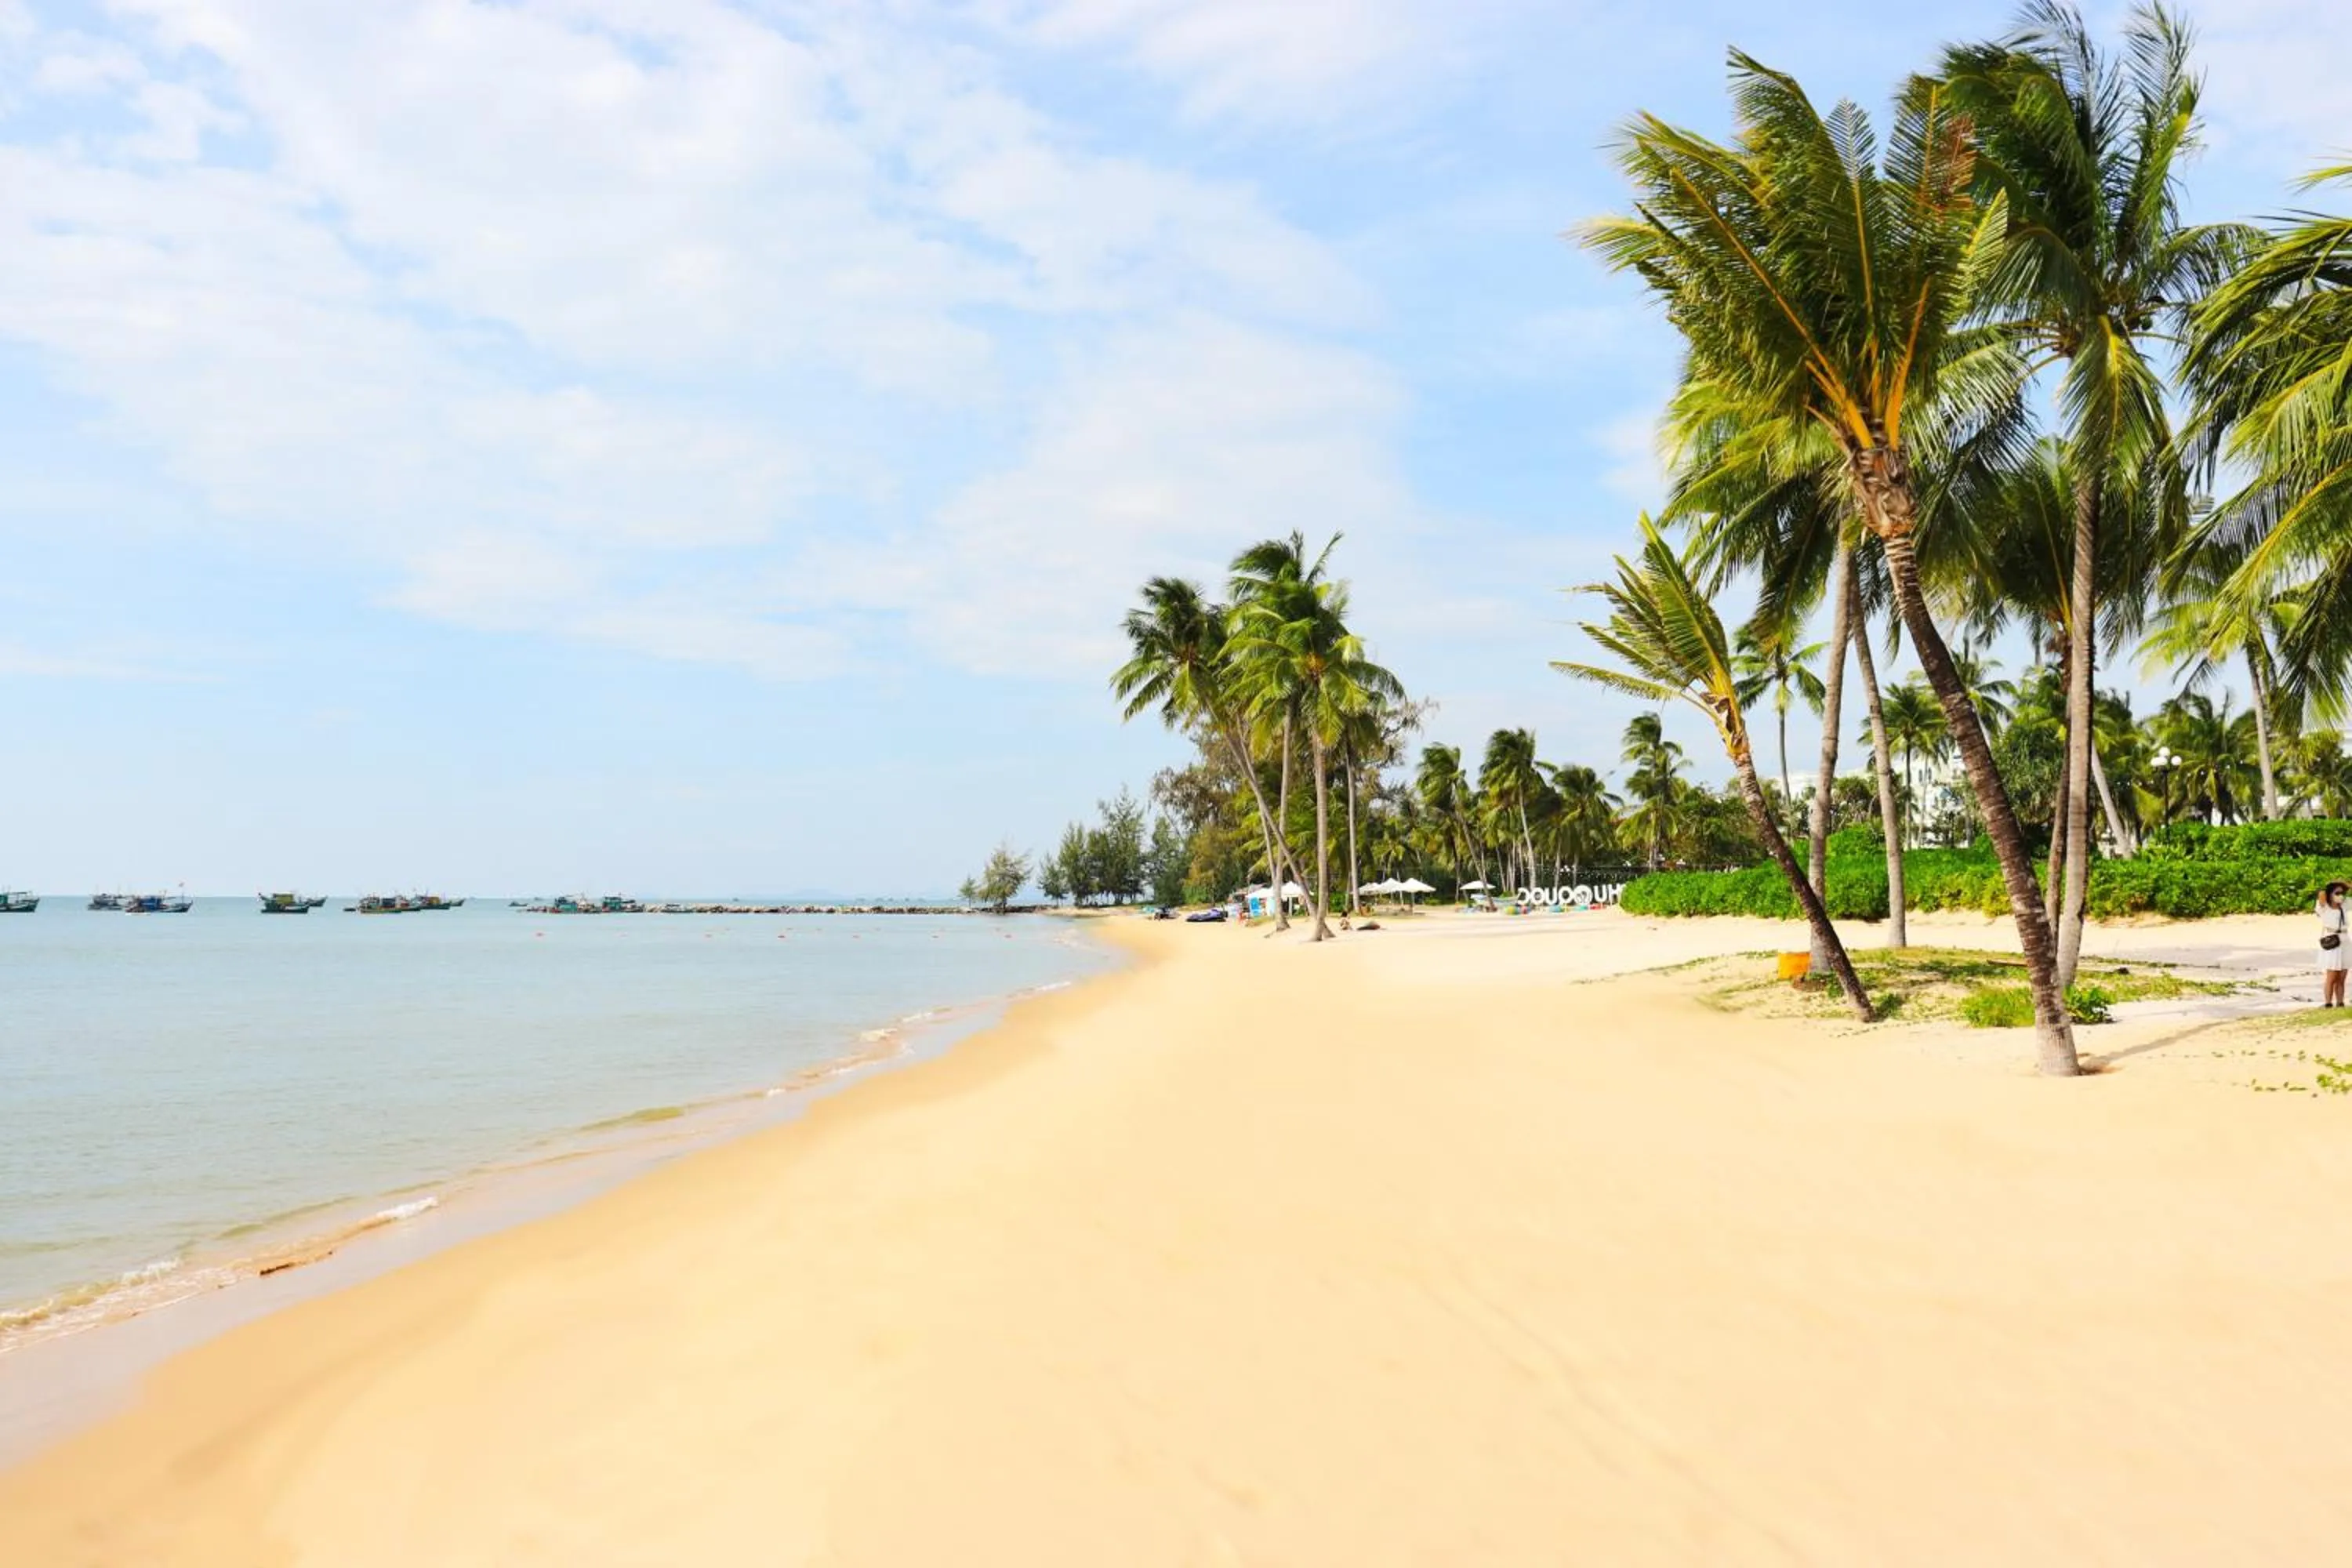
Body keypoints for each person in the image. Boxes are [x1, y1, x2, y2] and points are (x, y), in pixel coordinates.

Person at [2320, 882, 2349, 1009]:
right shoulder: (2324, 907)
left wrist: (2345, 886)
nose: (2340, 896)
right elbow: (2321, 894)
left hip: (2345, 940)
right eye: (2337, 893)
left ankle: (2340, 1002)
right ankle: (2328, 1002)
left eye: (2342, 893)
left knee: (2342, 977)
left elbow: (2347, 893)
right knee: (2331, 976)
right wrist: (2332, 887)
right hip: (2332, 941)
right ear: (2330, 895)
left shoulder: (2345, 905)